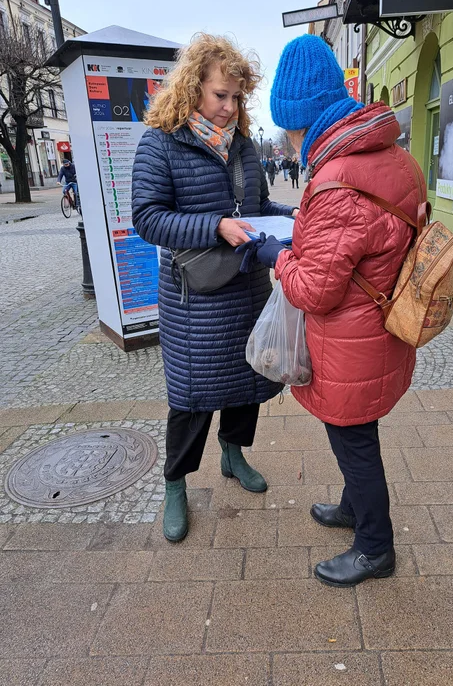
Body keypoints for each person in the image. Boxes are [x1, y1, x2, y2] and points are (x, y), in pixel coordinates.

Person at [246, 34, 426, 587]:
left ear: (307, 119)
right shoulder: (392, 157)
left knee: (355, 441)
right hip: (382, 329)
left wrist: (276, 255)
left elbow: (313, 291)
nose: (289, 139)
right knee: (358, 434)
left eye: (290, 128)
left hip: (351, 342)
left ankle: (376, 546)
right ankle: (353, 508)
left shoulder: (335, 182)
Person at [131, 34, 298, 543]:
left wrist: (295, 216)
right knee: (191, 397)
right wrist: (215, 227)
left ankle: (233, 453)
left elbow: (258, 210)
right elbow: (147, 218)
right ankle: (176, 485)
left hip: (245, 289)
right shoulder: (160, 142)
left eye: (236, 98)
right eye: (219, 95)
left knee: (246, 382)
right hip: (195, 300)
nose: (228, 108)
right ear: (193, 88)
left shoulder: (245, 146)